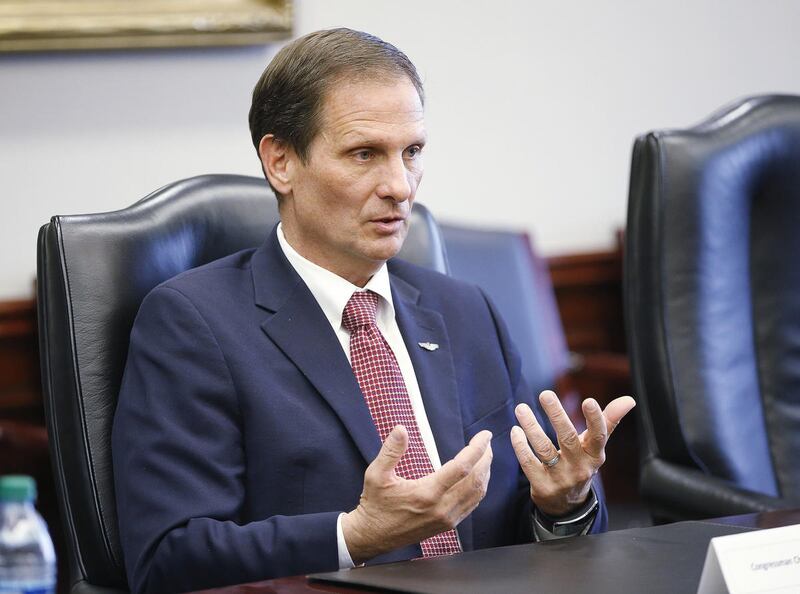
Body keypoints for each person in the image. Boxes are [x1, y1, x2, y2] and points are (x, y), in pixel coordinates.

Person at [112, 28, 635, 594]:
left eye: (412, 152)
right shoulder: (193, 324)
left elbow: (529, 534)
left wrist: (562, 505)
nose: (399, 187)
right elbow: (169, 560)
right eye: (365, 154)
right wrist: (353, 536)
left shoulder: (466, 311)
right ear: (281, 162)